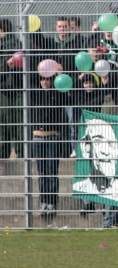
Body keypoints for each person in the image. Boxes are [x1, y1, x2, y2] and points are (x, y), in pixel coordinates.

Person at [30, 75, 69, 223]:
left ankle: (52, 203)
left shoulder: (56, 93)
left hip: (52, 137)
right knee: (42, 173)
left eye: (48, 79)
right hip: (38, 137)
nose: (45, 82)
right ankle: (43, 202)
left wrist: (60, 74)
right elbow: (17, 85)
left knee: (52, 171)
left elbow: (67, 95)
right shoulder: (34, 93)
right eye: (42, 79)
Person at [1, 18, 22, 164]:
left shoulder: (13, 45)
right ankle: (20, 153)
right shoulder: (18, 44)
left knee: (8, 124)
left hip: (7, 90)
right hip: (14, 89)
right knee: (16, 122)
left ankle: (4, 155)